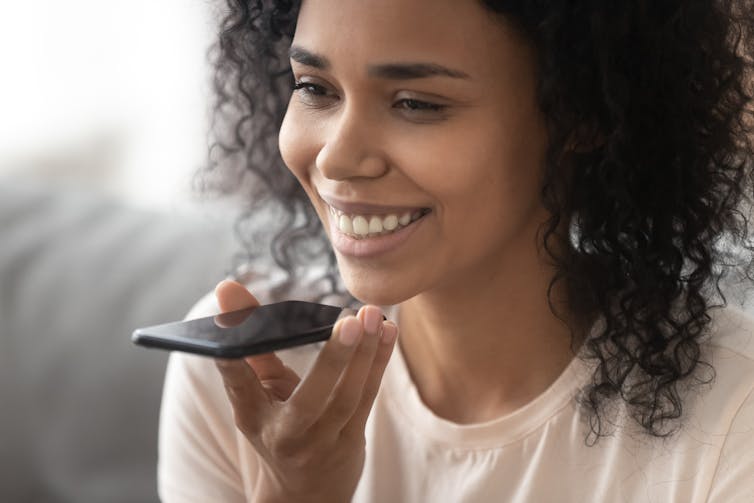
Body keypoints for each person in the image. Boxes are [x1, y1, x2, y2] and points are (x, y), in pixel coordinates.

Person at [158, 0, 754, 501]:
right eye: (315, 88)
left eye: (416, 103)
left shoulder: (734, 419)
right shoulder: (243, 378)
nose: (337, 157)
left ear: (581, 114)